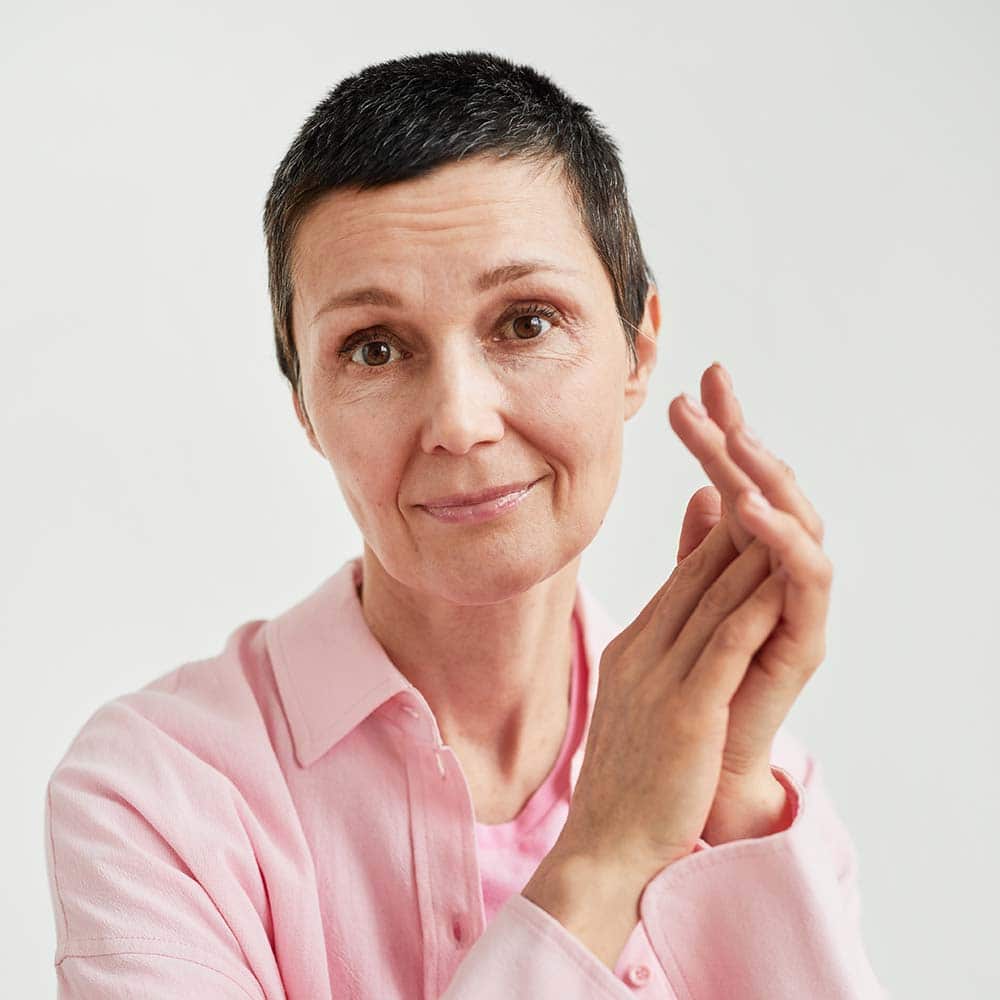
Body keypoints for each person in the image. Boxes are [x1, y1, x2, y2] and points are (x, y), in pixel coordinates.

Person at [44, 50, 888, 998]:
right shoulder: (155, 794)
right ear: (304, 407)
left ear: (638, 349)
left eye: (526, 323)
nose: (458, 420)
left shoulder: (768, 792)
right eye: (375, 348)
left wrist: (728, 799)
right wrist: (607, 851)